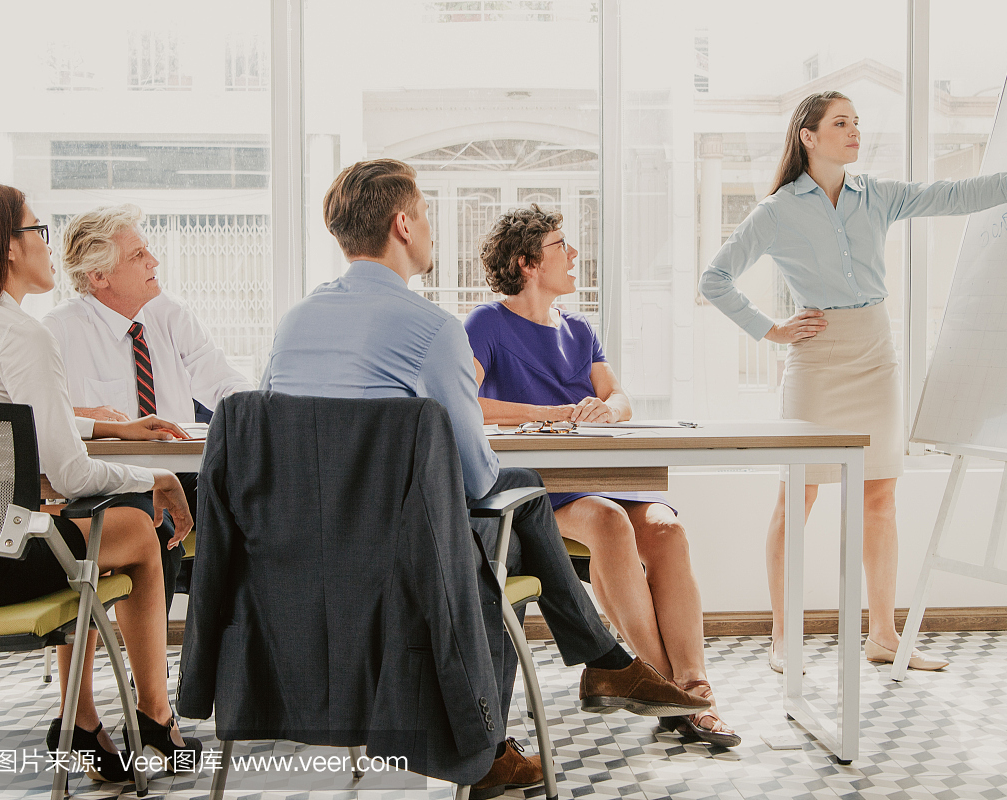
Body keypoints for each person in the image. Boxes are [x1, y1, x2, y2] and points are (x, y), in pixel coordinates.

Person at [262, 159, 709, 799]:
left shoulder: (293, 325)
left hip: (306, 551)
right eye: (426, 215)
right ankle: (595, 667)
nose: (432, 231)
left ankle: (604, 663)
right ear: (402, 224)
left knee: (522, 499)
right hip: (409, 557)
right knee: (505, 518)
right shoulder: (433, 329)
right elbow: (476, 479)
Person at [699, 91, 1007, 672]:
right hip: (817, 359)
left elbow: (955, 196)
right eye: (841, 123)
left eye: (857, 122)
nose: (855, 131)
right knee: (797, 496)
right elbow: (716, 279)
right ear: (808, 136)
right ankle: (785, 637)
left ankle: (883, 634)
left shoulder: (874, 195)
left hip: (876, 353)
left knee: (879, 497)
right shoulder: (777, 210)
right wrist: (770, 329)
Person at [465, 205, 739, 747]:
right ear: (526, 264)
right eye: (560, 246)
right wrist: (553, 414)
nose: (573, 255)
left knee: (666, 528)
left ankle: (694, 686)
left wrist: (604, 411)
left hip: (601, 470)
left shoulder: (579, 328)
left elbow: (620, 397)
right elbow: (468, 401)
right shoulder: (486, 323)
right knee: (609, 520)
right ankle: (665, 689)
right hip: (542, 487)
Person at [0, 181, 202, 782]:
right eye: (37, 231)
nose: (48, 246)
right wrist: (155, 478)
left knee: (99, 524)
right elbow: (71, 471)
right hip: (3, 561)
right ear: (8, 246)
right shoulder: (22, 333)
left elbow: (5, 417)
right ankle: (154, 718)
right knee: (140, 527)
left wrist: (98, 423)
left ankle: (85, 723)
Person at [43, 204, 255, 607]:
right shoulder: (57, 331)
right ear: (99, 276)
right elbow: (39, 417)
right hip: (110, 482)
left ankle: (235, 649)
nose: (153, 261)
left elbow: (223, 381)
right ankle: (158, 668)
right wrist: (85, 415)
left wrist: (257, 414)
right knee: (154, 527)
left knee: (258, 505)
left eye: (148, 250)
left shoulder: (170, 314)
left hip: (181, 471)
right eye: (137, 255)